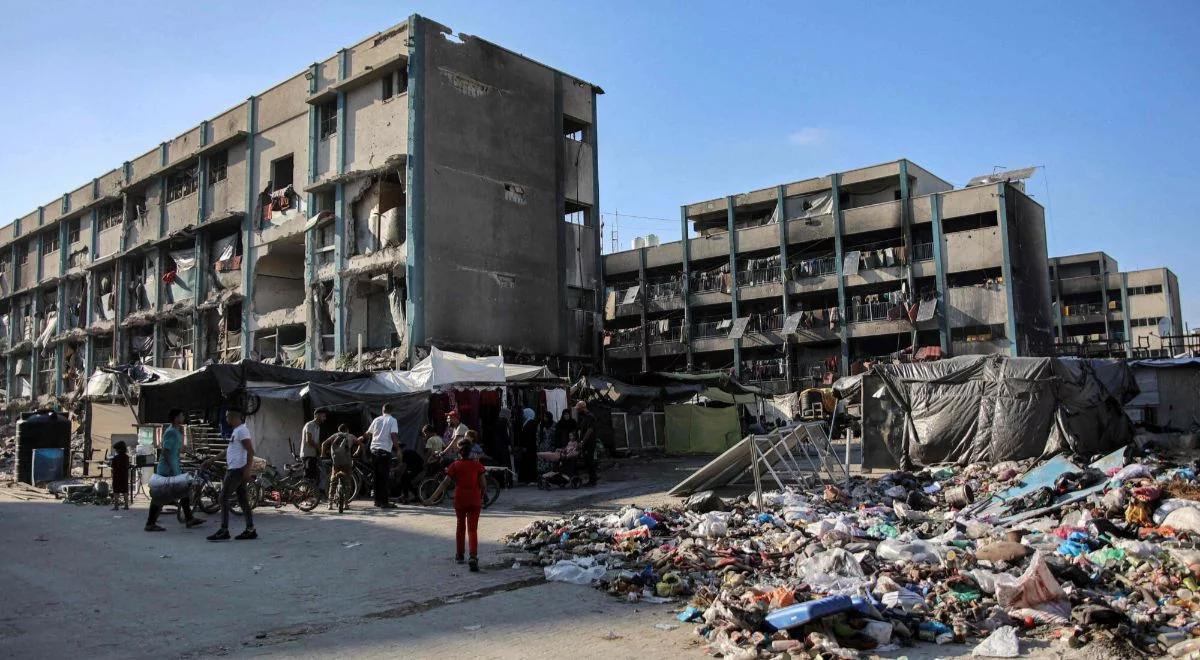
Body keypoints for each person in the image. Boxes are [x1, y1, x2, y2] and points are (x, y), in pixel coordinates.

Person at [431, 436, 486, 572]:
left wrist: (431, 498)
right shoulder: (477, 465)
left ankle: (460, 555)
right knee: (472, 529)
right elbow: (484, 484)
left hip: (460, 499)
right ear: (471, 451)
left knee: (460, 527)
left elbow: (444, 483)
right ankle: (473, 556)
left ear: (459, 452)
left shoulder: (454, 465)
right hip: (474, 499)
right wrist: (481, 496)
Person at [145, 409, 205, 532]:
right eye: (182, 415)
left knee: (184, 491)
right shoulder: (171, 432)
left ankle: (189, 518)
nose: (183, 417)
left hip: (174, 468)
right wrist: (173, 470)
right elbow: (166, 452)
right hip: (167, 470)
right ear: (176, 418)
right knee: (159, 496)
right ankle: (150, 523)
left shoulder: (176, 431)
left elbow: (176, 449)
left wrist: (186, 453)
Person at [208, 409, 257, 541]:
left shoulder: (241, 430)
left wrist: (248, 469)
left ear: (233, 417)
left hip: (236, 470)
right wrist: (212, 459)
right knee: (243, 500)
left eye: (227, 416)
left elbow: (250, 450)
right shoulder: (237, 431)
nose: (226, 419)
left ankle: (224, 530)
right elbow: (228, 449)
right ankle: (250, 529)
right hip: (236, 469)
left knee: (223, 498)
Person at [363, 403, 399, 509]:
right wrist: (398, 448)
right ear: (391, 410)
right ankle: (384, 502)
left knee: (377, 477)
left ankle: (377, 501)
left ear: (382, 410)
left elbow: (368, 433)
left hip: (373, 451)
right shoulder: (392, 420)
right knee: (384, 477)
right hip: (384, 451)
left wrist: (361, 438)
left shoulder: (376, 420)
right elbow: (393, 435)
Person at [321, 424, 361, 510]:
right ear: (347, 430)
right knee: (347, 482)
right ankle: (346, 504)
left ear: (339, 430)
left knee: (333, 482)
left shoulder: (335, 436)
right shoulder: (351, 436)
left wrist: (323, 455)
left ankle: (330, 504)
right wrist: (357, 452)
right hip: (347, 463)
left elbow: (324, 444)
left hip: (336, 463)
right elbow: (360, 444)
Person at [300, 408, 327, 483]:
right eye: (323, 416)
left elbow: (316, 442)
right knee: (308, 478)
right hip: (307, 455)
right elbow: (309, 440)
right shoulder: (310, 425)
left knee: (313, 478)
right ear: (317, 415)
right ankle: (303, 494)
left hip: (313, 455)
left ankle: (310, 494)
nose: (325, 418)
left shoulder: (317, 427)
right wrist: (320, 449)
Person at [575, 401, 598, 487]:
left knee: (590, 461)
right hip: (586, 444)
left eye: (579, 409)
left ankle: (593, 480)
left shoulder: (590, 417)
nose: (578, 411)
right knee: (588, 461)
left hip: (589, 443)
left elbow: (589, 431)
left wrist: (582, 442)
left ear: (583, 408)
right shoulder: (584, 417)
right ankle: (592, 479)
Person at [516, 408, 539, 484]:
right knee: (527, 462)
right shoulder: (528, 422)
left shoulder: (531, 423)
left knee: (530, 463)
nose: (523, 415)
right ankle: (527, 479)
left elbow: (529, 436)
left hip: (529, 447)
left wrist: (525, 446)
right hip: (529, 447)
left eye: (524, 413)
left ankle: (531, 479)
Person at [109, 441, 130, 511]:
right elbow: (128, 466)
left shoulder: (115, 458)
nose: (116, 451)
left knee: (116, 491)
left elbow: (112, 467)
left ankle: (116, 506)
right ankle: (126, 505)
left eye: (116, 449)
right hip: (124, 476)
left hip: (117, 476)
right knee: (125, 490)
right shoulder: (127, 457)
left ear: (119, 449)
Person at [536, 410, 557, 474]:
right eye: (544, 417)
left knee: (550, 462)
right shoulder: (541, 424)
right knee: (542, 462)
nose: (545, 418)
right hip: (542, 447)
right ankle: (542, 475)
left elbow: (556, 436)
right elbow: (538, 435)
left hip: (551, 447)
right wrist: (537, 445)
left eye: (546, 417)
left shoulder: (554, 425)